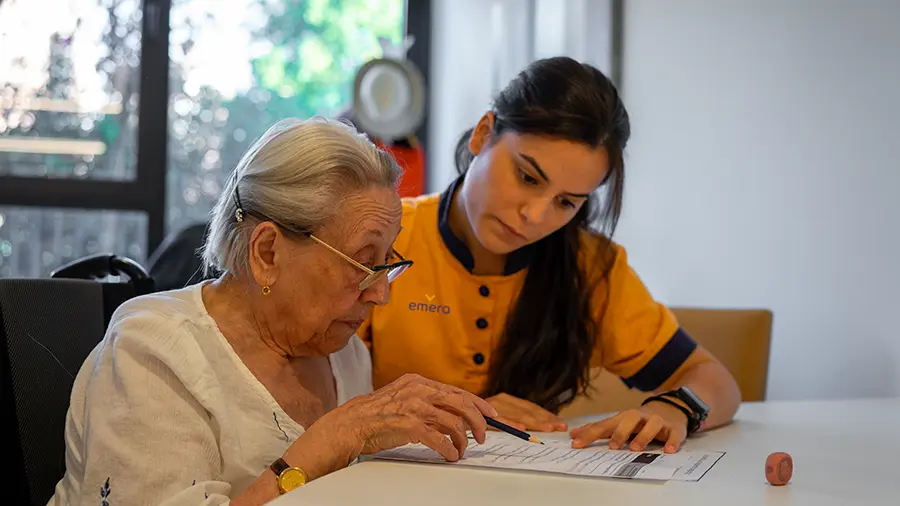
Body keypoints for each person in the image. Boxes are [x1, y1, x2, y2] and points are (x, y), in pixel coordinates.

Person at [49, 118, 497, 506]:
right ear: (267, 252)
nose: (380, 294)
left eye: (387, 264)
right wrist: (332, 441)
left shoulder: (343, 355)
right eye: (364, 264)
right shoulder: (154, 352)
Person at [358, 56, 741, 454]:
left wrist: (674, 408)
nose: (535, 216)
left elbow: (714, 380)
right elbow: (307, 396)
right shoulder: (384, 237)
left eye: (566, 202)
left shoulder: (589, 267)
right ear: (484, 134)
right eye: (527, 177)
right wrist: (458, 411)